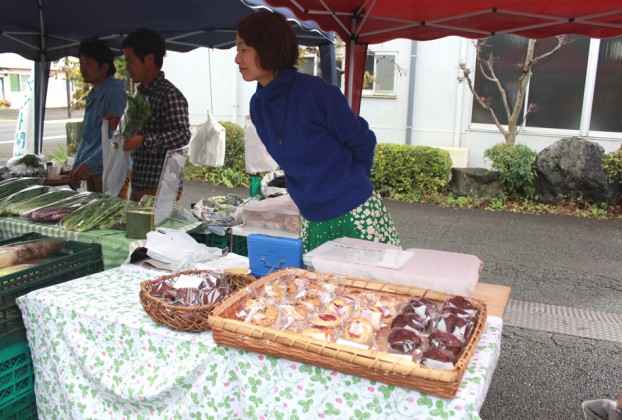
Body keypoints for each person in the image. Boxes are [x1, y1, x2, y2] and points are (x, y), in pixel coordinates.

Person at [235, 11, 401, 252]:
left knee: (371, 287)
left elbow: (363, 141)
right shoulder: (258, 105)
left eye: (243, 49)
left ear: (267, 46)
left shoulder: (315, 93)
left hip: (355, 211)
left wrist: (347, 184)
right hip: (311, 218)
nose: (237, 59)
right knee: (322, 289)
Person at [121, 28, 190, 202]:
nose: (127, 68)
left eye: (130, 61)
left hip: (160, 186)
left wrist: (144, 141)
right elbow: (136, 129)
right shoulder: (142, 94)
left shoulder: (169, 94)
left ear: (149, 59)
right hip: (140, 181)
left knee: (152, 230)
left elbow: (182, 135)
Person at [70, 37, 128, 197]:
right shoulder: (93, 94)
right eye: (81, 63)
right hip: (93, 169)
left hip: (110, 169)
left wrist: (89, 163)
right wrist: (76, 165)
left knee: (112, 218)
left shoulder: (115, 93)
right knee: (96, 217)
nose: (83, 68)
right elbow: (87, 138)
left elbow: (116, 138)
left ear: (104, 67)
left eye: (88, 63)